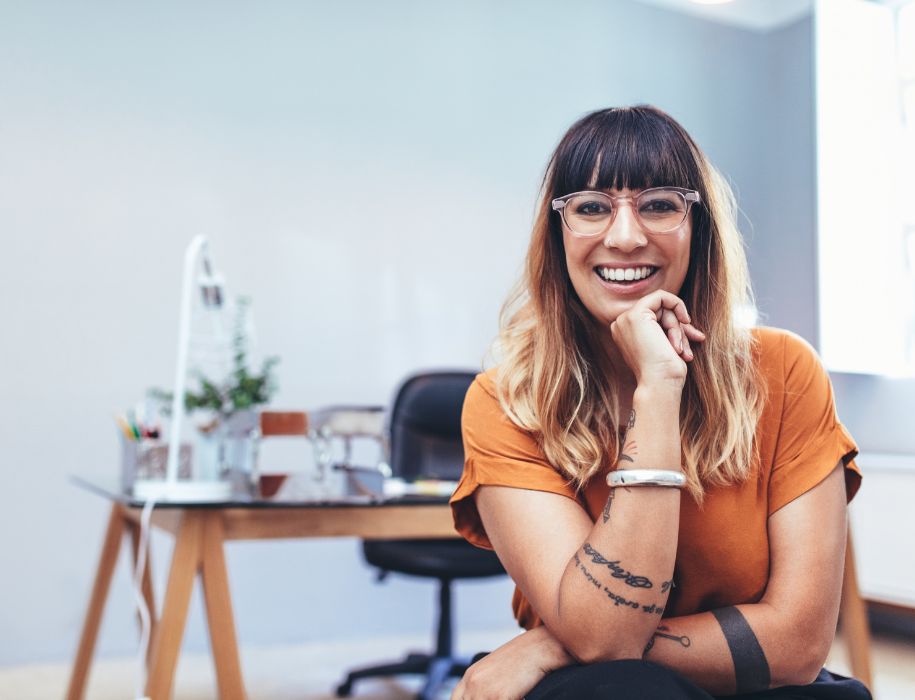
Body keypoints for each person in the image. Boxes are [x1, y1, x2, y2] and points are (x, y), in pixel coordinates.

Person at [449, 106, 870, 699]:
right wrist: (658, 390)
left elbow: (798, 645)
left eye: (659, 205)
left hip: (761, 685)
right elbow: (606, 646)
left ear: (698, 227)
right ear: (557, 234)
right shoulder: (506, 401)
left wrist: (553, 643)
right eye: (591, 207)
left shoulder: (784, 370)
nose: (625, 236)